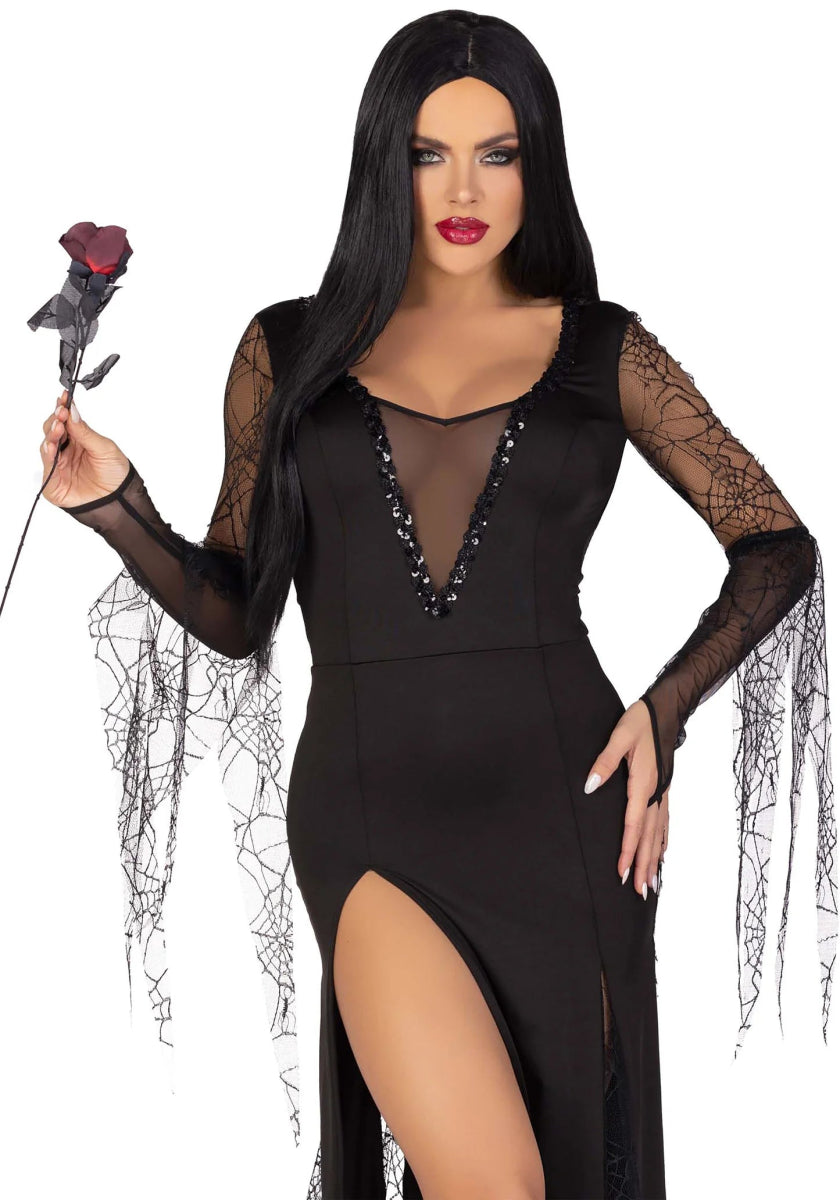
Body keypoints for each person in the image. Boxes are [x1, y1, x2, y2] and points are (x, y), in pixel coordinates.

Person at [40, 10, 835, 1200]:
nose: (464, 190)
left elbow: (776, 547)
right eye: (428, 153)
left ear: (536, 164)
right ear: (384, 160)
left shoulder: (603, 351)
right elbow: (239, 612)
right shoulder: (289, 351)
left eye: (497, 154)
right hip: (373, 822)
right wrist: (117, 506)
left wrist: (662, 716)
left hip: (568, 812)